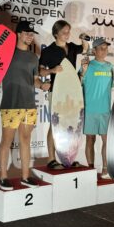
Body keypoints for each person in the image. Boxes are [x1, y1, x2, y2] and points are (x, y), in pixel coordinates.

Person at [0, 20, 50, 190]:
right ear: (18, 34)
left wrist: (41, 85)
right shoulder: (7, 53)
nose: (30, 36)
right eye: (27, 33)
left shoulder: (34, 57)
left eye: (31, 34)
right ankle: (3, 177)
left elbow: (34, 80)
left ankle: (25, 177)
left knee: (25, 140)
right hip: (11, 104)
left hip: (29, 105)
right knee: (7, 141)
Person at [39, 19, 89, 170]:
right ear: (56, 34)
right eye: (64, 32)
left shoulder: (72, 47)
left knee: (72, 123)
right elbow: (41, 71)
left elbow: (84, 49)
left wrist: (84, 39)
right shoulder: (48, 51)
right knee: (55, 124)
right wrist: (52, 70)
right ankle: (51, 159)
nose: (67, 34)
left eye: (68, 31)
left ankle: (69, 156)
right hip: (57, 92)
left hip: (72, 90)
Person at [80, 37, 114, 179]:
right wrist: (83, 71)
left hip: (105, 110)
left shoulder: (109, 66)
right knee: (90, 140)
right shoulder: (87, 65)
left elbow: (112, 84)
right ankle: (90, 170)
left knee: (107, 140)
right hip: (90, 110)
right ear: (94, 50)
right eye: (101, 48)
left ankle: (105, 169)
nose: (104, 50)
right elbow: (79, 82)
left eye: (106, 48)